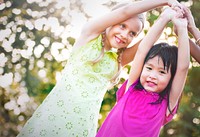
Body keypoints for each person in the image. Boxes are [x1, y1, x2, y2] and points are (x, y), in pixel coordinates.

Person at [17, 0, 183, 137]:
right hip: (52, 117)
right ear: (111, 22)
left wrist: (166, 19)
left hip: (82, 127)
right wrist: (164, 2)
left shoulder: (118, 60)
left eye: (133, 33)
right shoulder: (89, 35)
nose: (125, 35)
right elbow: (125, 11)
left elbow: (144, 48)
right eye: (122, 26)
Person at [96, 7, 189, 137]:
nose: (152, 76)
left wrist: (182, 28)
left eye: (162, 72)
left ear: (171, 78)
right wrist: (163, 18)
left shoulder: (166, 104)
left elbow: (183, 68)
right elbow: (142, 50)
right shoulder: (131, 88)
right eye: (149, 68)